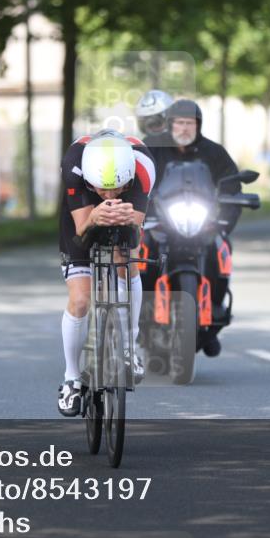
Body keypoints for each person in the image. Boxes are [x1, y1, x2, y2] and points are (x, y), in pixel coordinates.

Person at [57, 128, 156, 417]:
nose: (110, 195)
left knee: (127, 258)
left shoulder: (142, 167)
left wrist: (126, 221)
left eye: (118, 189)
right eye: (102, 190)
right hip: (80, 220)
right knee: (80, 299)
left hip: (127, 219)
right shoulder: (74, 166)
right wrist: (94, 219)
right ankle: (71, 378)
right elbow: (80, 233)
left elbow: (134, 234)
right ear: (89, 179)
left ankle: (129, 347)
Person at [142, 98, 240, 357]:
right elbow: (135, 177)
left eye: (190, 123)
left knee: (222, 248)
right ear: (169, 124)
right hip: (160, 223)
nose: (184, 129)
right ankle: (140, 305)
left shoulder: (214, 152)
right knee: (140, 248)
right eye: (179, 123)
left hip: (201, 223)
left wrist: (224, 220)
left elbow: (231, 183)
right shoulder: (152, 147)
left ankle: (213, 316)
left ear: (198, 126)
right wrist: (140, 208)